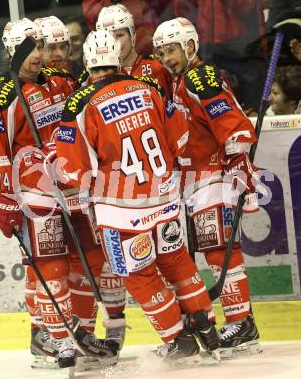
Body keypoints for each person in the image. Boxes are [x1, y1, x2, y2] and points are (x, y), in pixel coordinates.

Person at [56, 29, 220, 361]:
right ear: (118, 59)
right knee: (177, 262)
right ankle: (207, 328)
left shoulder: (79, 103)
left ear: (88, 63)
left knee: (137, 274)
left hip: (121, 210)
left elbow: (73, 171)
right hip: (164, 197)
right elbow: (180, 138)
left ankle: (178, 338)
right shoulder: (151, 88)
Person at [0, 17, 118, 371]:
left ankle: (82, 333)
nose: (39, 55)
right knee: (51, 267)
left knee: (90, 262)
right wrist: (3, 198)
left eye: (39, 47)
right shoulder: (3, 93)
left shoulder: (61, 82)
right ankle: (59, 340)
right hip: (36, 196)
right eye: (30, 50)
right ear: (12, 53)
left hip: (73, 190)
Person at [153, 17, 263, 358]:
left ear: (189, 45)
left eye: (171, 49)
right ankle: (234, 320)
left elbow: (233, 124)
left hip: (212, 175)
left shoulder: (200, 75)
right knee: (202, 252)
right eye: (161, 52)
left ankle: (242, 322)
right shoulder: (180, 80)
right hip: (192, 179)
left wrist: (236, 162)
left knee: (219, 250)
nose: (166, 58)